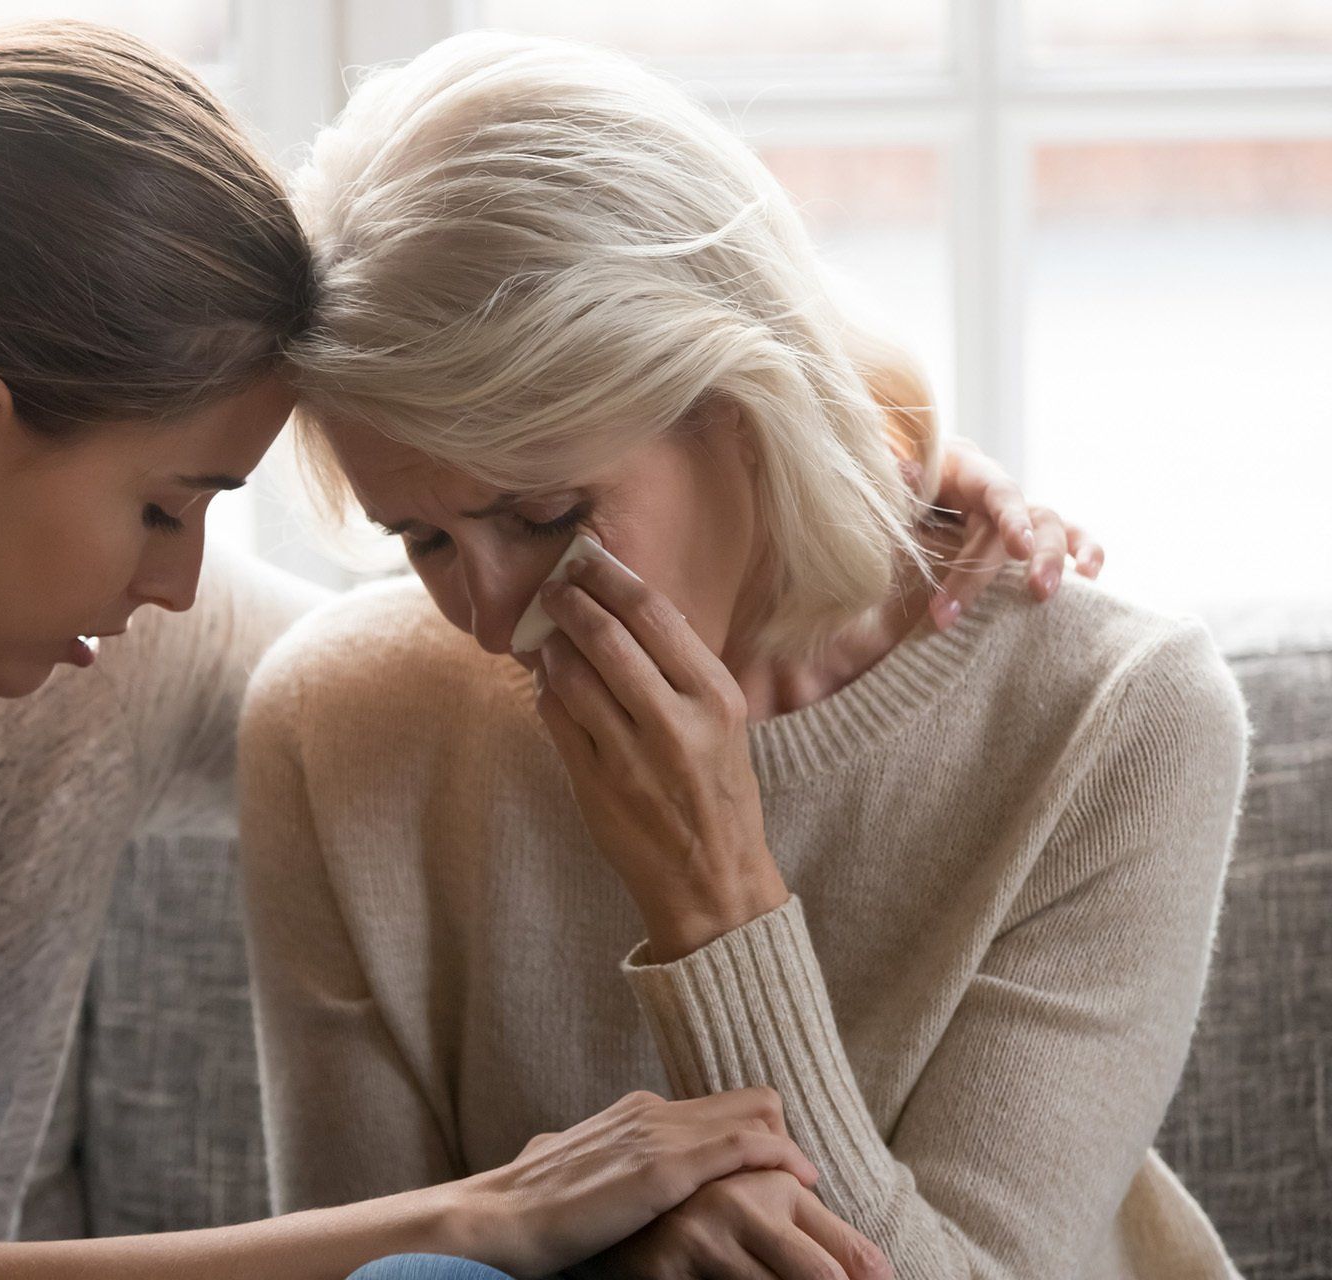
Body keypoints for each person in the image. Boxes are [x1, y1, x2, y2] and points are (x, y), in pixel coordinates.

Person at [0, 21, 1076, 1280]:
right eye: (170, 503)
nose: (189, 577)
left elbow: (432, 685)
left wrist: (878, 467)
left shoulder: (101, 649)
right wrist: (495, 1209)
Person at [241, 31, 1246, 1280]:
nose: (496, 622)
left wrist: (718, 907)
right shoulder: (336, 724)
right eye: (423, 538)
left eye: (547, 516)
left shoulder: (1120, 721)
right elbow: (392, 1275)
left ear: (741, 400)